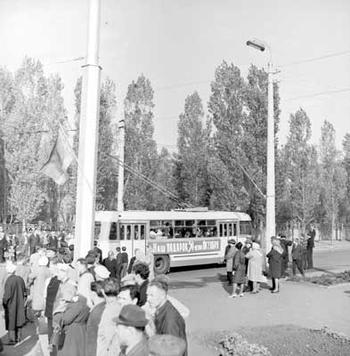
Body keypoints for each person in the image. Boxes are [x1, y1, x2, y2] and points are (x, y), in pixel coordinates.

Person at [146, 275, 187, 355]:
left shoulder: (170, 320)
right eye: (147, 295)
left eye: (151, 295)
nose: (148, 299)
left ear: (163, 295)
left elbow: (171, 351)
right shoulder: (161, 310)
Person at [3, 262, 26, 344]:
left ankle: (12, 339)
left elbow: (7, 295)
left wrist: (4, 302)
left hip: (11, 304)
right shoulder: (20, 279)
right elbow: (25, 291)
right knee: (19, 320)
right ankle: (19, 337)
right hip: (20, 303)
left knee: (11, 321)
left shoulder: (9, 280)